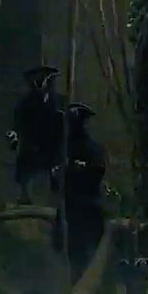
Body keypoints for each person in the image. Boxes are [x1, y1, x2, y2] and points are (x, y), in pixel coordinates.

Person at [49, 102, 106, 284]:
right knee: (72, 254)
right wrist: (58, 174)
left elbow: (97, 171)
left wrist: (76, 169)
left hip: (87, 207)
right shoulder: (62, 149)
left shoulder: (91, 148)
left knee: (90, 253)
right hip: (69, 207)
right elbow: (55, 181)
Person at [8, 65, 66, 203]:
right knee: (27, 181)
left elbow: (63, 129)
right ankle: (25, 197)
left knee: (54, 190)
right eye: (39, 79)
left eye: (48, 80)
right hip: (30, 151)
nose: (44, 83)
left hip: (52, 151)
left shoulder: (59, 103)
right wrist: (14, 137)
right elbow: (17, 125)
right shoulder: (25, 103)